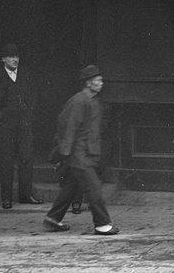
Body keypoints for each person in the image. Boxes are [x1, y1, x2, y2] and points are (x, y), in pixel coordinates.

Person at [43, 65, 118, 235]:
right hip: (79, 154)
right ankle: (102, 224)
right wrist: (66, 153)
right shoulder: (78, 101)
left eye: (101, 80)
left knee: (70, 187)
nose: (101, 83)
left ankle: (53, 218)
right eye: (98, 81)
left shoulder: (91, 101)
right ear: (88, 83)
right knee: (94, 188)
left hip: (86, 153)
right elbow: (68, 127)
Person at [0, 42, 43, 209]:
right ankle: (6, 198)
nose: (15, 60)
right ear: (3, 59)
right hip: (4, 123)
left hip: (24, 122)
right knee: (5, 160)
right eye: (11, 56)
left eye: (17, 56)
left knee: (26, 158)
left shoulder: (26, 74)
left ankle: (26, 195)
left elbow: (34, 93)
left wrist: (29, 110)